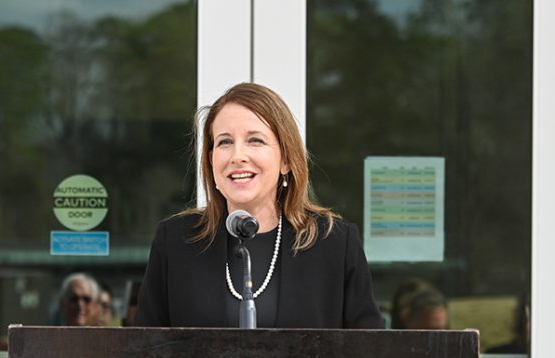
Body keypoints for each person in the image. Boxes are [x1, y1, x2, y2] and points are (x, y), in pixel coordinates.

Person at [134, 83, 384, 329]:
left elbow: (369, 357)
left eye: (255, 140)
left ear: (286, 159)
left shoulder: (334, 243)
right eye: (224, 142)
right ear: (211, 160)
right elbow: (143, 354)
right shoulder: (175, 241)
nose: (237, 156)